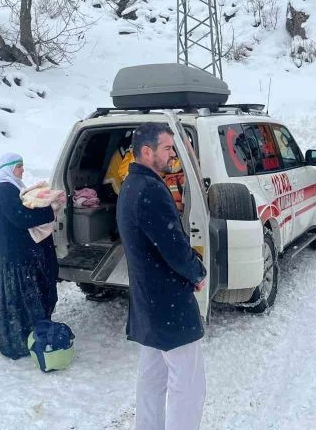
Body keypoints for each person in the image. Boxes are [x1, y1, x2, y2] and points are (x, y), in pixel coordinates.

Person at [117, 123, 208, 430]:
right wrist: (197, 271)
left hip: (149, 299)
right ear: (147, 151)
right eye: (168, 148)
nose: (173, 155)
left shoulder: (131, 184)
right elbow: (174, 246)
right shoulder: (150, 190)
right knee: (189, 385)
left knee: (152, 379)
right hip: (168, 303)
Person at [0, 152, 61, 359]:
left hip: (17, 252)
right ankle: (18, 342)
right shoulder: (4, 188)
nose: (22, 170)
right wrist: (49, 211)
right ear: (8, 168)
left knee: (25, 297)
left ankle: (30, 336)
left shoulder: (11, 187)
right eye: (19, 166)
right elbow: (21, 217)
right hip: (13, 254)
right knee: (18, 299)